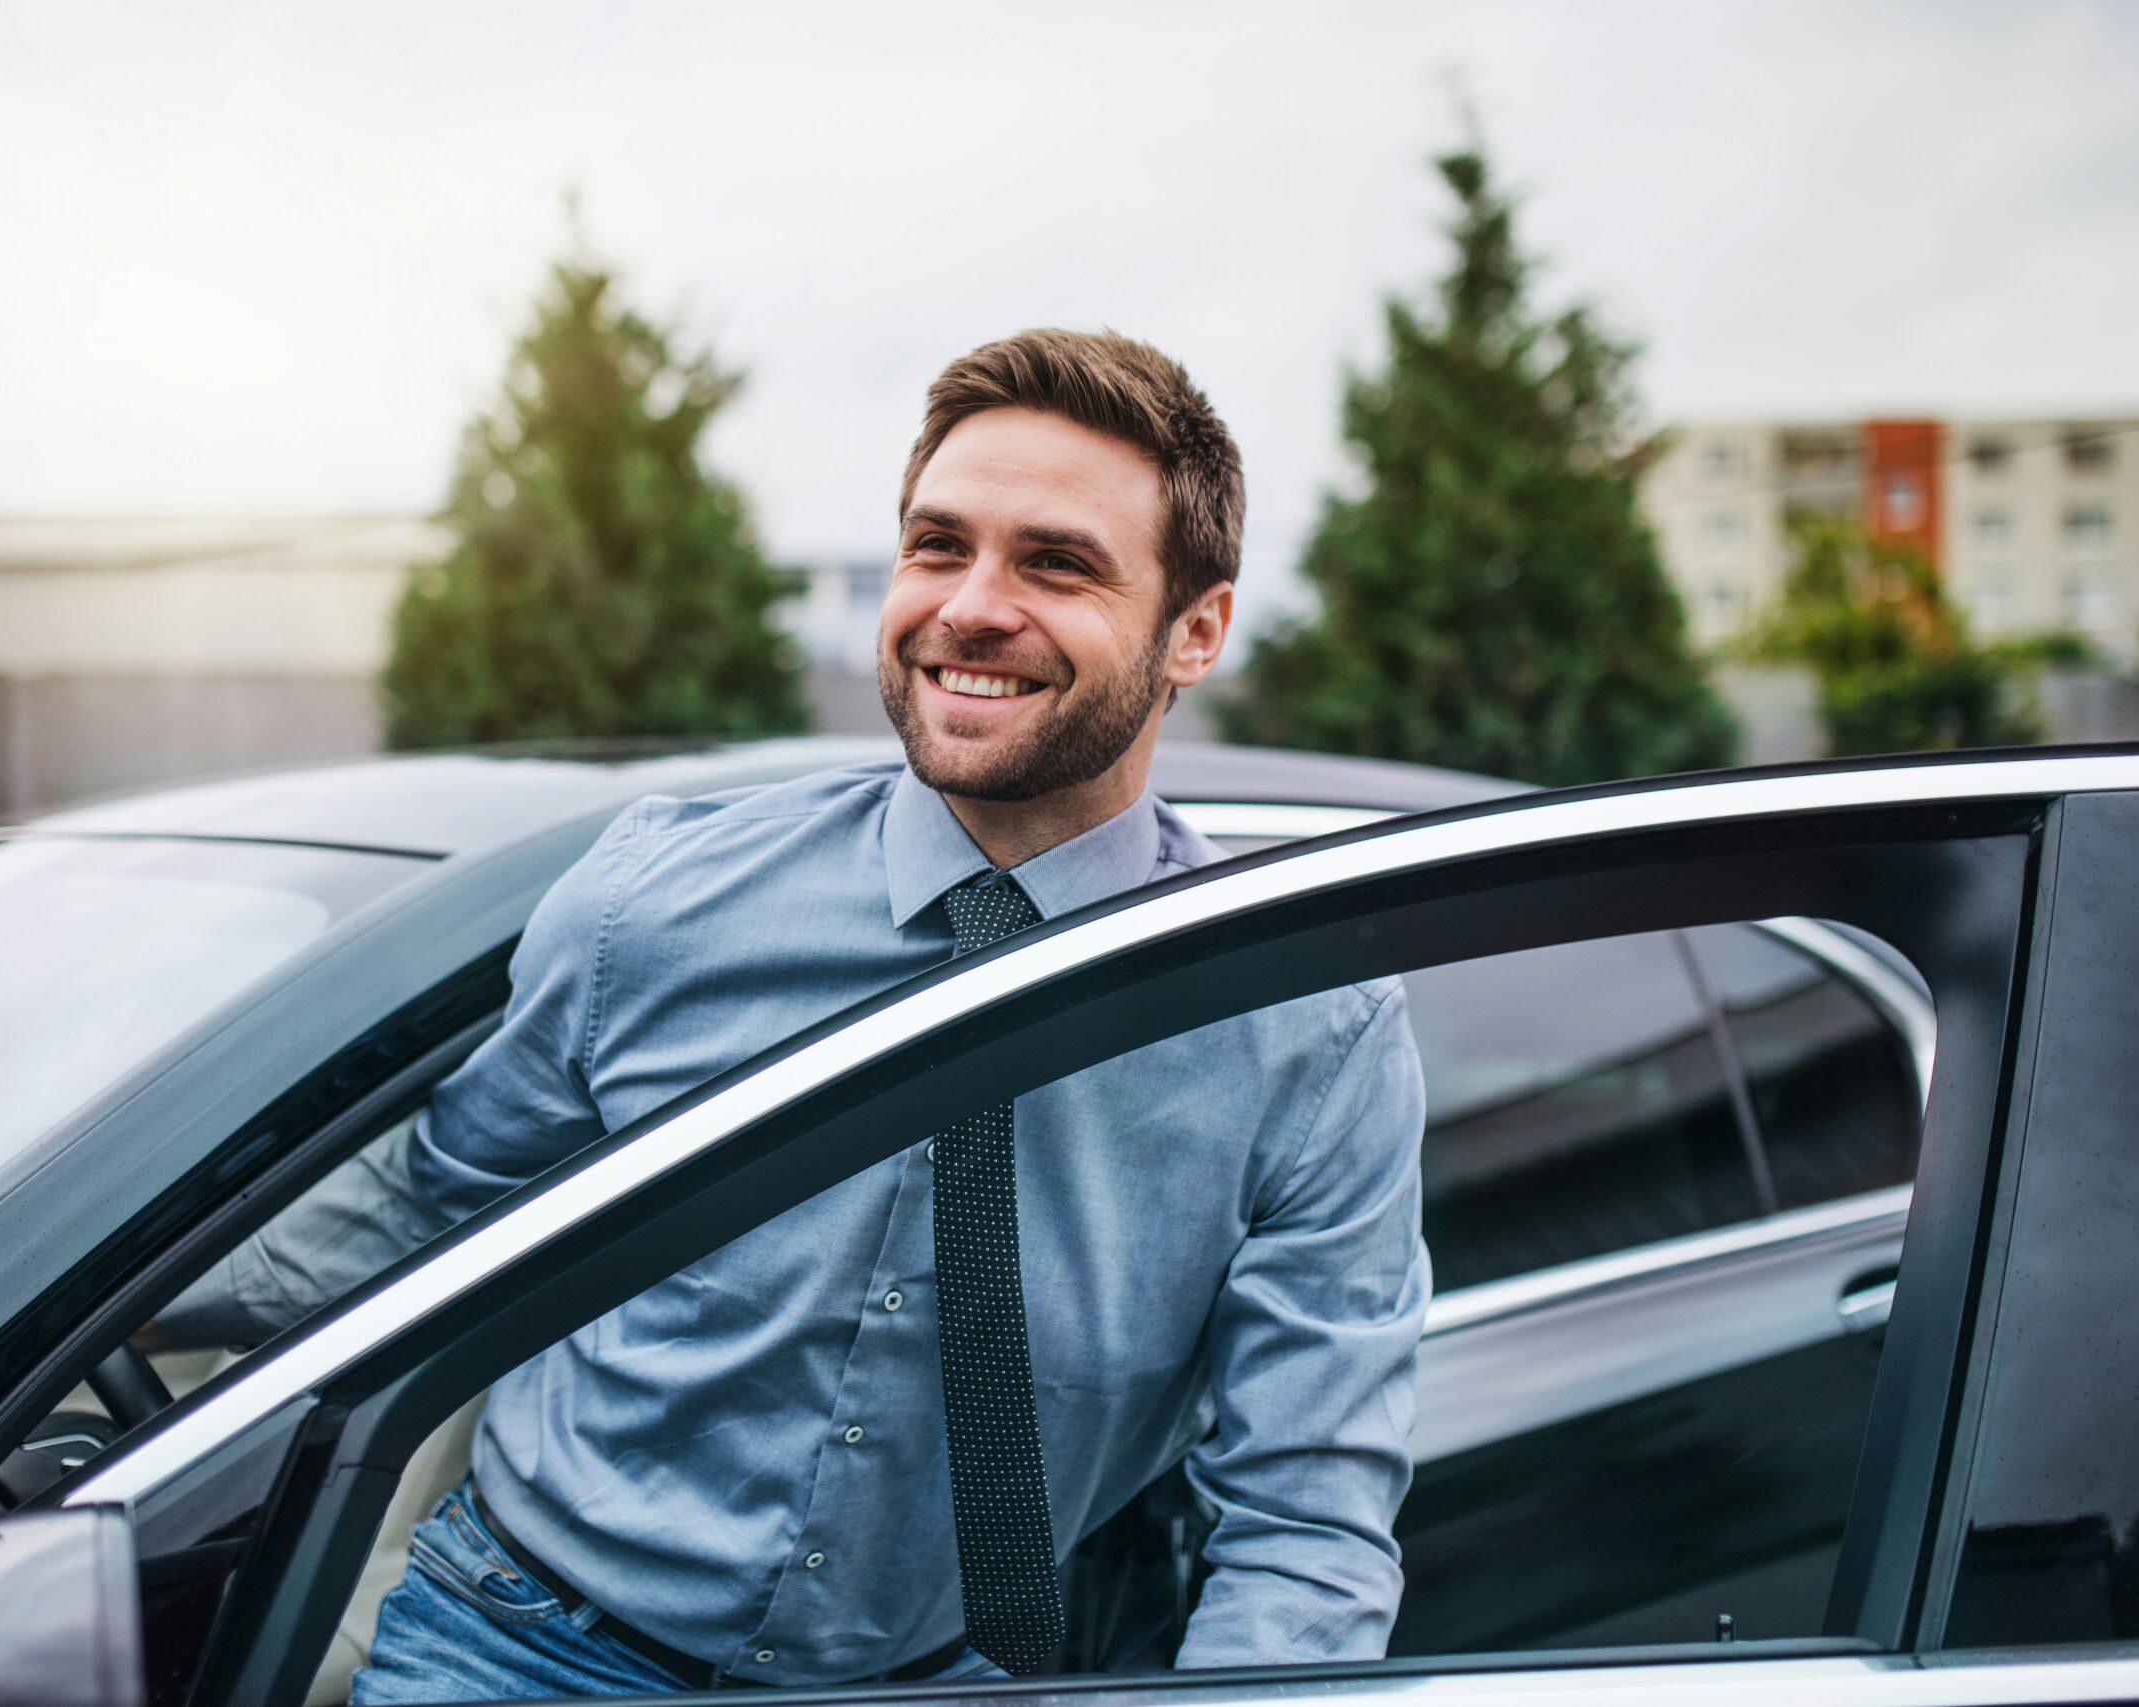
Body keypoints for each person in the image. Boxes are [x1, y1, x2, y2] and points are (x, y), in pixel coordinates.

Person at [157, 329, 1429, 1701]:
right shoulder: (658, 899)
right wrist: (93, 1302)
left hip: (936, 1678)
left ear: (1196, 632)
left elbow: (1305, 1526)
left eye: (1053, 563)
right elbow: (427, 1208)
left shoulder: (1306, 1028)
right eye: (938, 547)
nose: (971, 607)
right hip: (516, 1646)